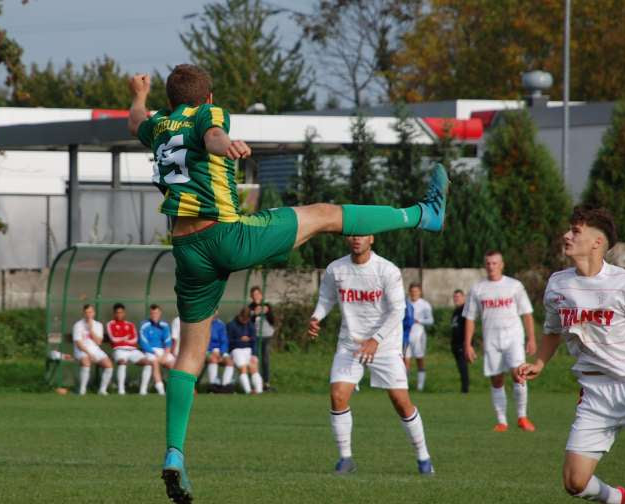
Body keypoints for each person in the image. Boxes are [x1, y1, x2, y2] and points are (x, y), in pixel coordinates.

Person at [128, 64, 448, 503]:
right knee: (323, 214)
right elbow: (212, 136)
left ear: (171, 99)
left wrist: (138, 95)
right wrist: (227, 144)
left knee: (189, 354)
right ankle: (422, 215)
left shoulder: (160, 125)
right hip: (226, 234)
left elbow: (135, 122)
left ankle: (174, 452)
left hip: (186, 250)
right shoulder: (208, 114)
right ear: (208, 96)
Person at [517, 206, 625, 503]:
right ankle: (615, 498)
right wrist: (539, 363)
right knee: (574, 482)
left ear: (597, 242)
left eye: (575, 231)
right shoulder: (558, 284)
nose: (566, 235)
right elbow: (552, 330)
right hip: (595, 394)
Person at [308, 235, 433, 476]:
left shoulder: (387, 270)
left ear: (372, 239)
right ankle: (345, 459)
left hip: (384, 345)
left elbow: (398, 310)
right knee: (337, 395)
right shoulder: (336, 268)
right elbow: (326, 299)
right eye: (353, 234)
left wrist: (376, 340)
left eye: (362, 234)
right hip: (350, 344)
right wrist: (316, 317)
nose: (357, 239)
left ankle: (423, 457)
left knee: (401, 402)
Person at [463, 250, 537, 432]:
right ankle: (502, 421)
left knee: (519, 375)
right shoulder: (478, 288)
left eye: (495, 263)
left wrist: (532, 338)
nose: (491, 267)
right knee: (496, 379)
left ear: (502, 264)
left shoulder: (514, 286)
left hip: (513, 337)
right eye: (488, 263)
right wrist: (467, 344)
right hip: (491, 339)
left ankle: (522, 417)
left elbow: (526, 313)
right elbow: (470, 318)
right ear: (484, 265)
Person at [106, 303, 152, 395]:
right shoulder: (110, 324)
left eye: (121, 312)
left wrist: (122, 339)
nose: (119, 314)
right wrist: (125, 338)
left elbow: (135, 339)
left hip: (132, 350)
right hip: (118, 350)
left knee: (148, 363)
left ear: (124, 313)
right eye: (117, 313)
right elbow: (113, 339)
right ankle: (121, 390)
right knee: (122, 362)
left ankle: (143, 390)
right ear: (114, 314)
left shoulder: (130, 324)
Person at [72, 304, 113, 396]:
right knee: (86, 362)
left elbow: (98, 342)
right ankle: (82, 390)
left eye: (90, 312)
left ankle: (102, 390)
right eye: (86, 312)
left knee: (109, 365)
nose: (88, 314)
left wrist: (90, 329)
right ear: (83, 313)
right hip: (81, 350)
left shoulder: (98, 325)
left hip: (95, 350)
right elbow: (78, 344)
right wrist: (89, 354)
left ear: (94, 313)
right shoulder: (78, 325)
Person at [139, 304, 175, 396]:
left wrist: (165, 355)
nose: (155, 315)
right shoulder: (144, 325)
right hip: (149, 351)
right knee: (154, 362)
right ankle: (161, 390)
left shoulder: (164, 325)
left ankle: (174, 389)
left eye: (156, 313)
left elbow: (168, 341)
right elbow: (143, 343)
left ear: (160, 313)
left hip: (163, 351)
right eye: (152, 313)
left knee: (174, 364)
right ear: (150, 314)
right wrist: (154, 353)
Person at [226, 308, 263, 394]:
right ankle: (248, 391)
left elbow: (254, 340)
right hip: (236, 350)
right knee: (243, 368)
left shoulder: (250, 325)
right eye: (243, 319)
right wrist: (240, 340)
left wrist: (254, 354)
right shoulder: (231, 325)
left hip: (248, 350)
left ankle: (259, 391)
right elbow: (228, 340)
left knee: (253, 367)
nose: (245, 321)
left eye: (247, 319)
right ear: (240, 316)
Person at [404, 283, 434, 391]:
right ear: (409, 292)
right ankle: (404, 386)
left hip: (419, 335)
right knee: (405, 360)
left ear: (420, 292)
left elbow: (431, 320)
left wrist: (419, 320)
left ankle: (420, 387)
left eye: (416, 291)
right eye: (412, 291)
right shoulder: (405, 303)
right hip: (406, 335)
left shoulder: (425, 304)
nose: (414, 293)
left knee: (419, 359)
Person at [248, 286, 276, 390]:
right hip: (256, 337)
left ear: (261, 295)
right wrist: (255, 314)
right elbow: (248, 322)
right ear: (251, 296)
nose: (256, 297)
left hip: (267, 336)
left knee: (265, 359)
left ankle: (266, 383)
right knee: (255, 360)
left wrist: (267, 312)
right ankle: (256, 384)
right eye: (254, 295)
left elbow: (273, 321)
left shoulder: (267, 305)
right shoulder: (250, 307)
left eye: (257, 294)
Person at [450, 290, 469, 393]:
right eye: (455, 297)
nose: (456, 299)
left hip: (462, 343)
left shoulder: (465, 310)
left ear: (463, 297)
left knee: (463, 366)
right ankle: (463, 388)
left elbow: (468, 326)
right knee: (460, 366)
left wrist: (467, 343)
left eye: (458, 297)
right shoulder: (456, 311)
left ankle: (465, 389)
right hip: (455, 344)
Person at [205, 310, 231, 387]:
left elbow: (224, 341)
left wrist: (222, 353)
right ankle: (213, 385)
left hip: (219, 352)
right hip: (205, 351)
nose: (214, 313)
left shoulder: (221, 324)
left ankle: (225, 385)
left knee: (230, 362)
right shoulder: (202, 324)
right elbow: (201, 341)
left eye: (216, 311)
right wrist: (211, 351)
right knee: (213, 360)